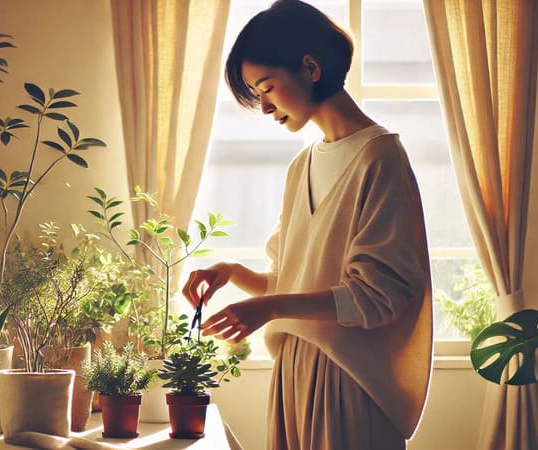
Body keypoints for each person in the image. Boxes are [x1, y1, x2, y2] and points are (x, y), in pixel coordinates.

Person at [180, 1, 433, 449]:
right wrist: (233, 273)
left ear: (311, 67)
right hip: (294, 376)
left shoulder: (380, 157)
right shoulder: (302, 166)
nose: (263, 107)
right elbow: (289, 284)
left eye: (267, 88)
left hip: (350, 383)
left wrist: (270, 308)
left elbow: (378, 296)